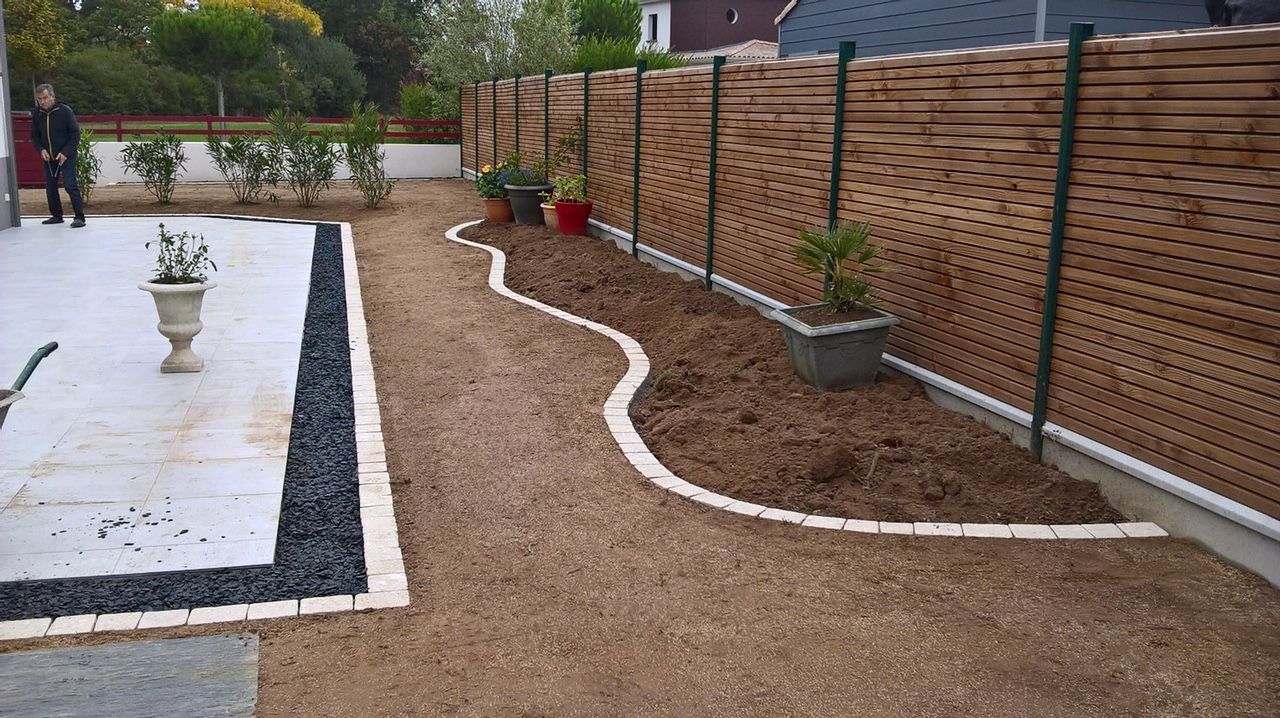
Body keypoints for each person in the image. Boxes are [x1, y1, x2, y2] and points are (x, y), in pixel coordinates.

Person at [31, 84, 86, 228]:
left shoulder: (64, 111)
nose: (42, 102)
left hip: (66, 155)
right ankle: (56, 215)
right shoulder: (37, 114)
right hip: (49, 157)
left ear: (52, 96)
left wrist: (65, 152)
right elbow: (35, 136)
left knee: (70, 184)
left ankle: (79, 217)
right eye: (39, 99)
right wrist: (40, 149)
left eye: (45, 98)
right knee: (50, 187)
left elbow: (75, 134)